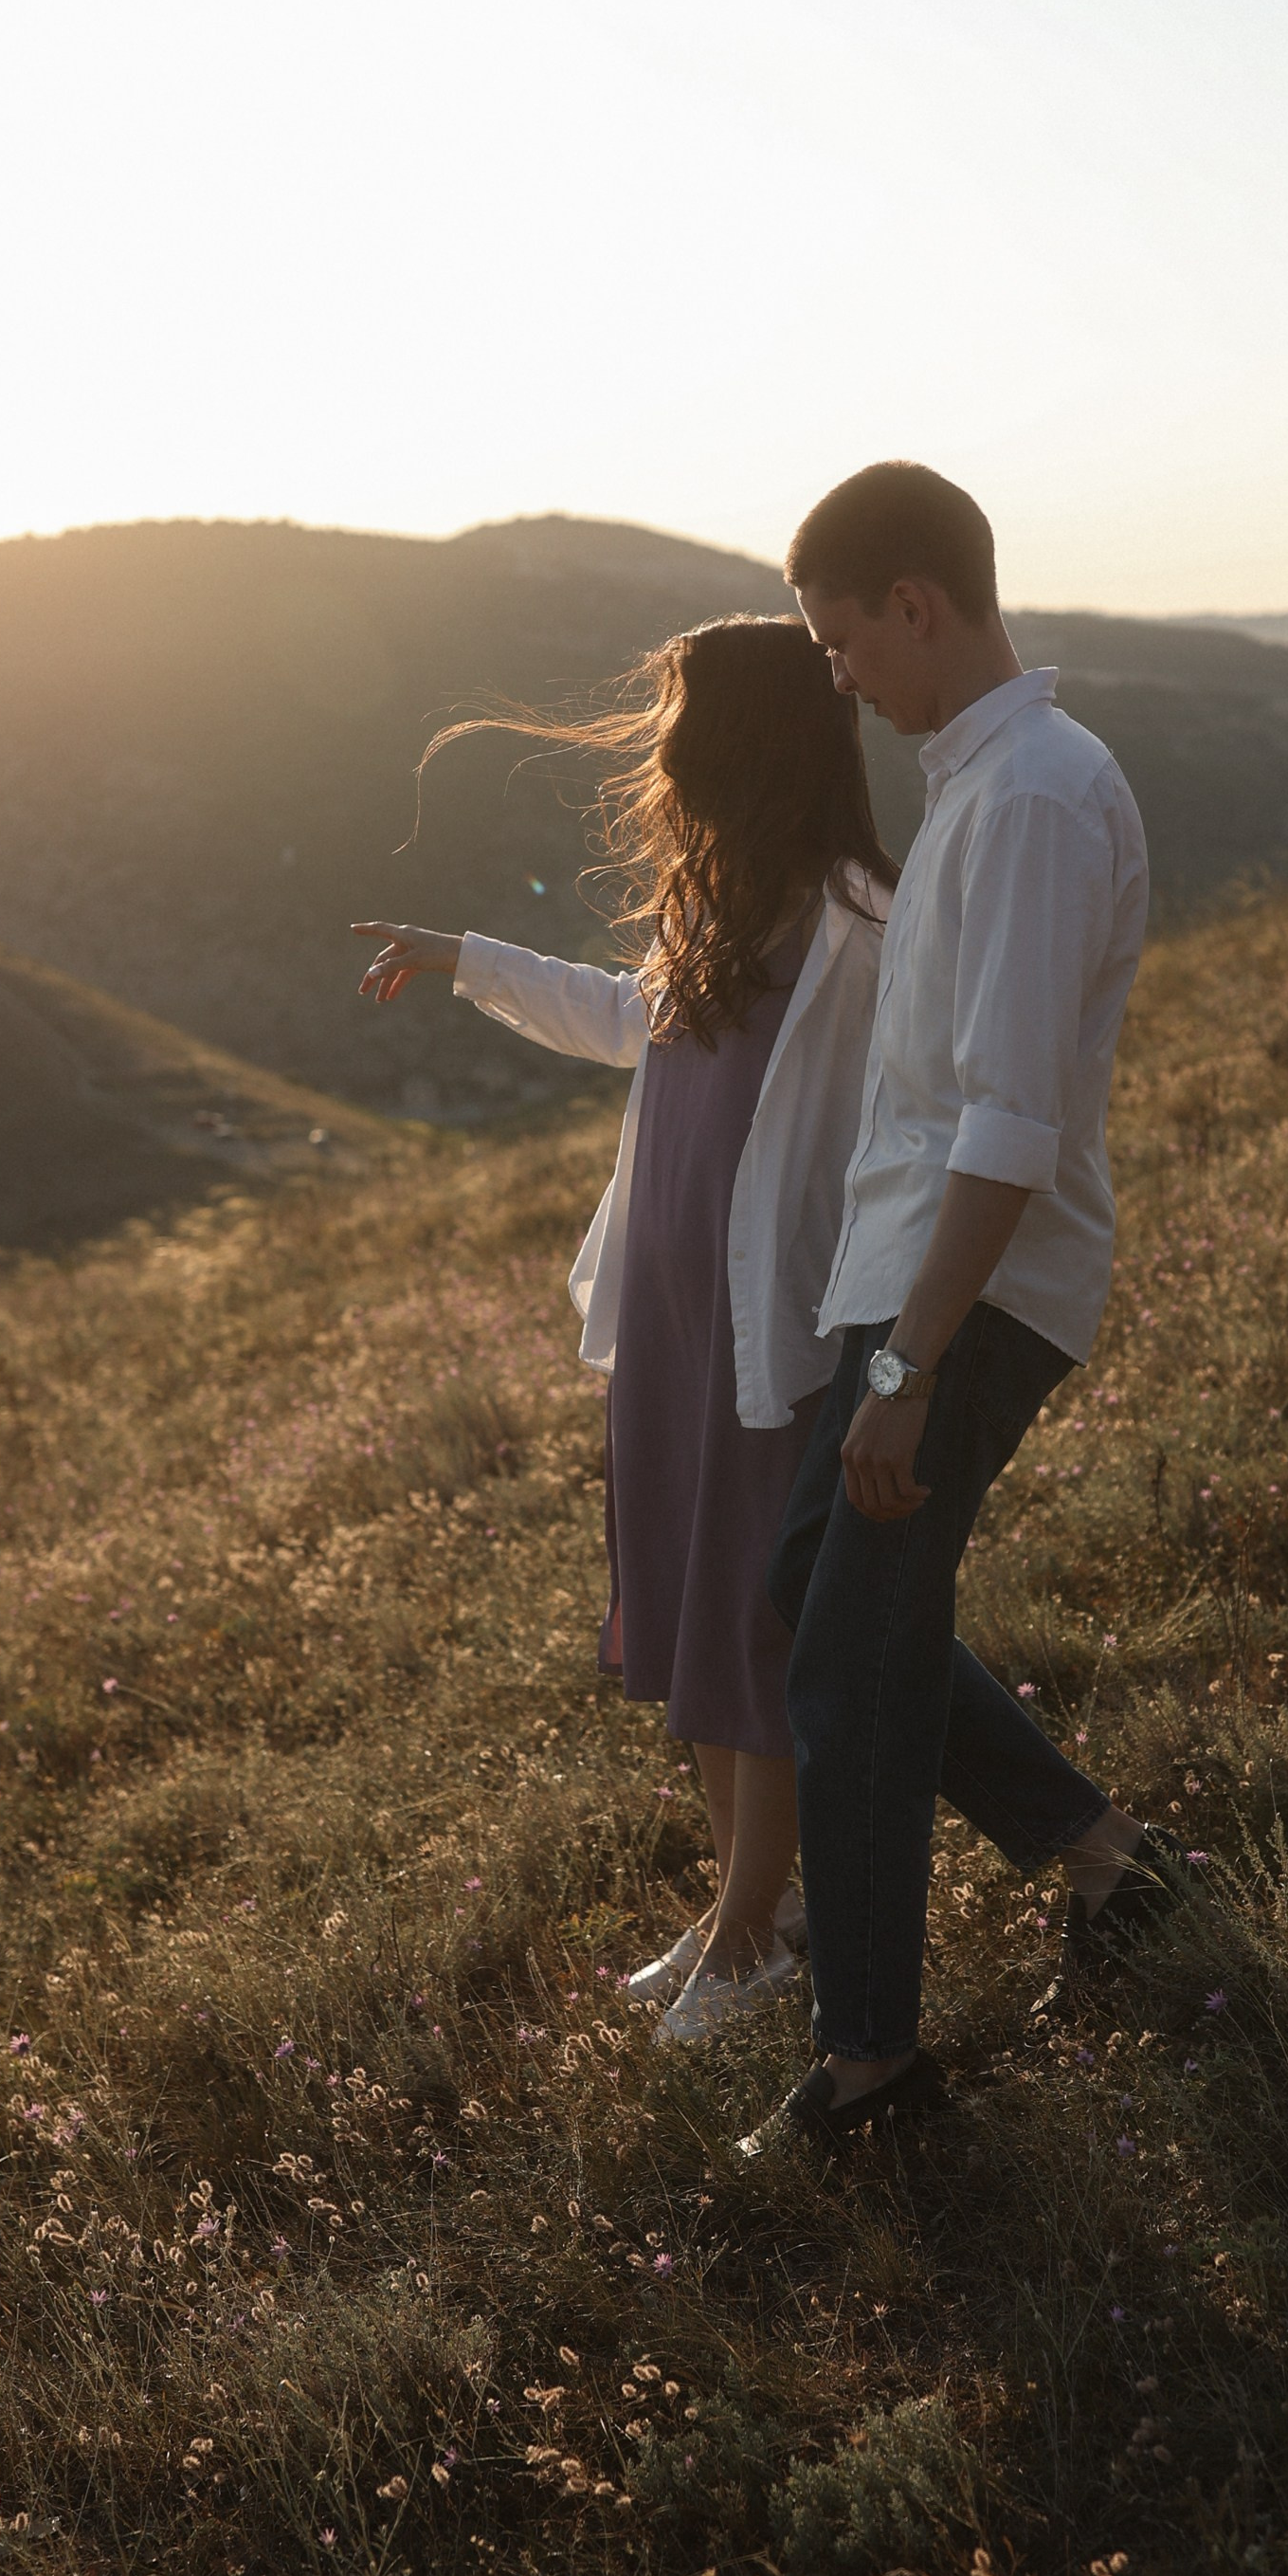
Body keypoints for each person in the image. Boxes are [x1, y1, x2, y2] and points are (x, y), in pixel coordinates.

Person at [353, 616, 895, 2042]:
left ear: (736, 741)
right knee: (684, 1611)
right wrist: (465, 953)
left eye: (675, 717)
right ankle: (748, 1912)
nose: (657, 746)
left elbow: (891, 1133)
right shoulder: (713, 900)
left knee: (750, 1626)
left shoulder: (857, 919)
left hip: (767, 1328)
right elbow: (627, 1023)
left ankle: (752, 1942)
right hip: (664, 1320)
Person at [742, 462, 1189, 2159]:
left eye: (844, 639)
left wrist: (912, 1363)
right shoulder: (980, 786)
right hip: (917, 1280)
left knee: (849, 1665)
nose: (836, 675)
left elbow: (1006, 1123)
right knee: (818, 1585)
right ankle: (1106, 1864)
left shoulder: (1030, 802)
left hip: (972, 1292)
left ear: (916, 605)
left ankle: (870, 2067)